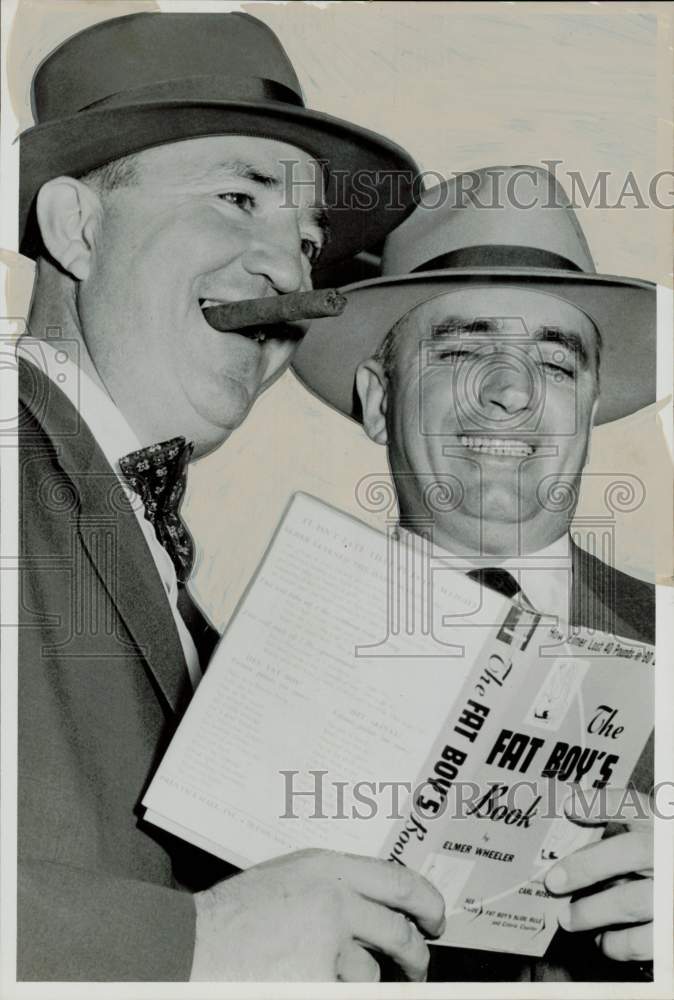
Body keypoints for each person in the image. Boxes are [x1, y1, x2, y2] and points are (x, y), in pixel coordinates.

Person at [16, 10, 448, 982]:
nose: (286, 273)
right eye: (236, 199)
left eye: (305, 242)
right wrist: (191, 943)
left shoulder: (171, 587)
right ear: (76, 228)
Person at [293, 164, 655, 981]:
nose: (511, 394)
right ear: (381, 401)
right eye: (462, 350)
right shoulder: (249, 670)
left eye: (557, 364)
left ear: (591, 406)